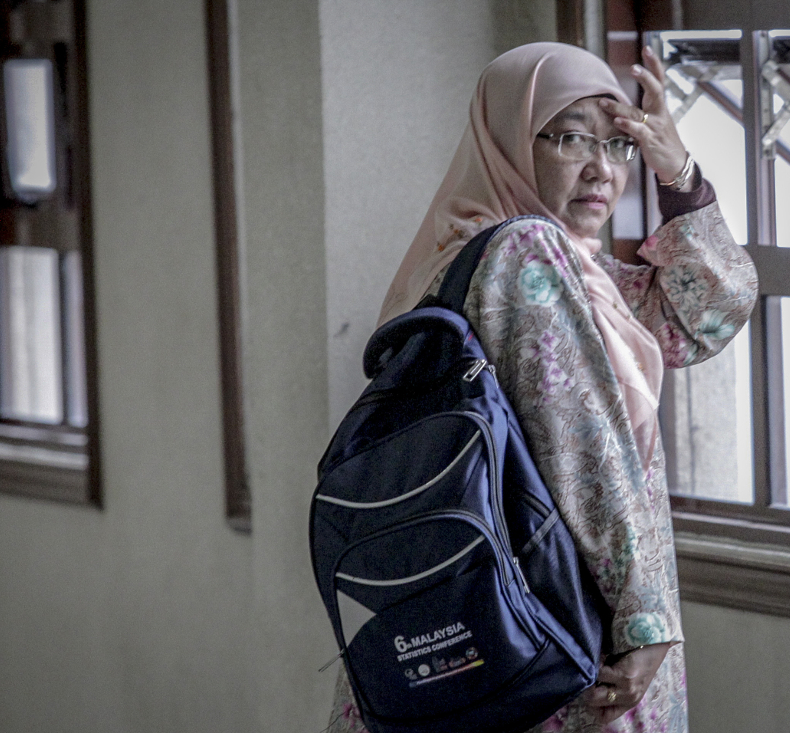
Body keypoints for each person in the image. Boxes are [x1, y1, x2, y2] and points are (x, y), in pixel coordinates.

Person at [329, 42, 757, 733]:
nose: (602, 169)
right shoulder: (524, 255)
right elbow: (581, 445)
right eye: (570, 138)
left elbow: (700, 317)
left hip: (473, 630)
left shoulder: (507, 264)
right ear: (506, 142)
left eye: (617, 145)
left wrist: (679, 174)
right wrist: (643, 616)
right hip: (555, 630)